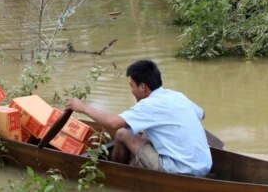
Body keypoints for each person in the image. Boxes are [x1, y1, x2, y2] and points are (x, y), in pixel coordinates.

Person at [66, 60, 212, 177]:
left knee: (122, 133)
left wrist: (83, 108)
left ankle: (117, 176)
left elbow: (114, 123)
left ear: (142, 87)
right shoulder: (176, 96)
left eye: (132, 86)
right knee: (144, 132)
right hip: (204, 165)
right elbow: (202, 114)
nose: (132, 91)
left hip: (179, 170)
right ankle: (136, 164)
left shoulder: (149, 105)